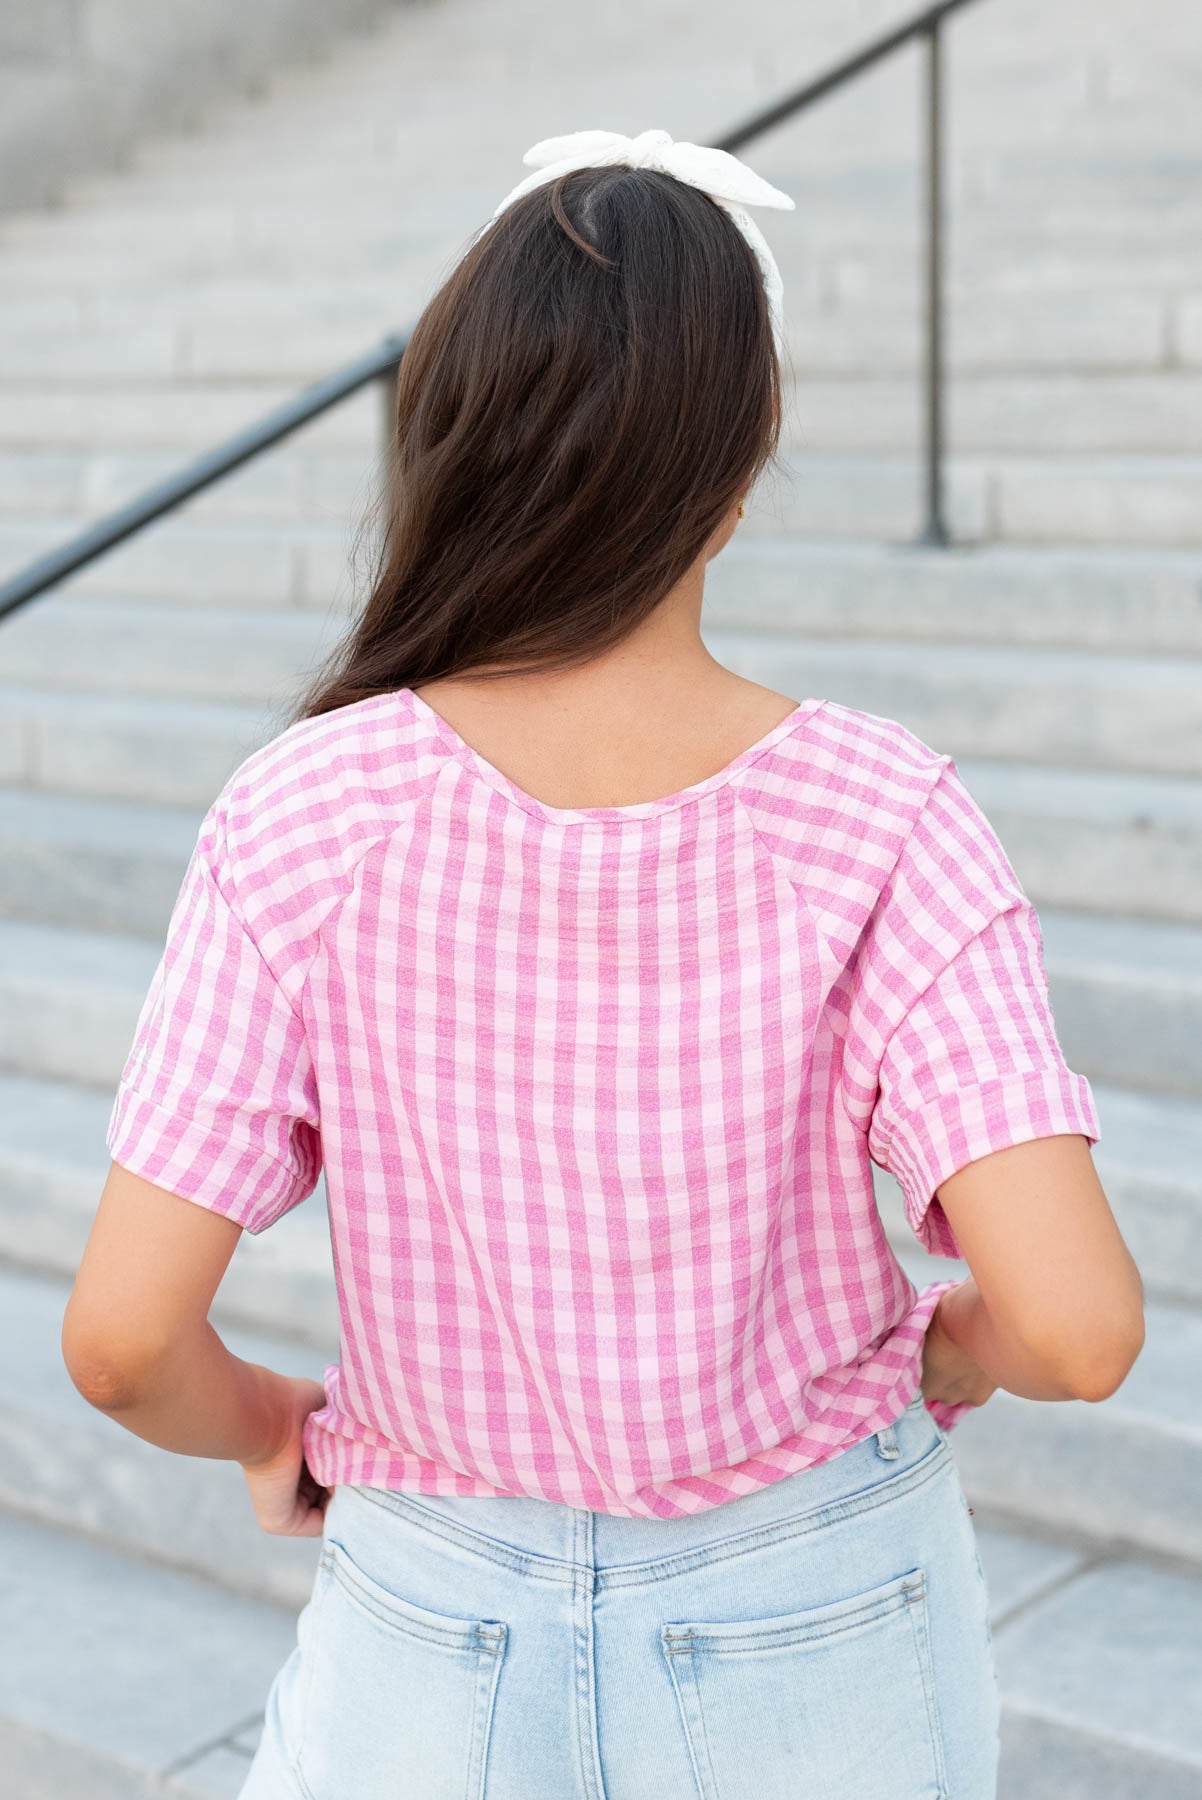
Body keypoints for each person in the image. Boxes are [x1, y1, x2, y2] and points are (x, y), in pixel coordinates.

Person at [62, 129, 1145, 1800]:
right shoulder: (882, 812)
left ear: (449, 438)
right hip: (818, 1607)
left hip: (430, 1611)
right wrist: (947, 1352)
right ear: (745, 456)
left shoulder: (311, 807)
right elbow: (1075, 1328)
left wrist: (281, 1424)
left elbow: (124, 1341)